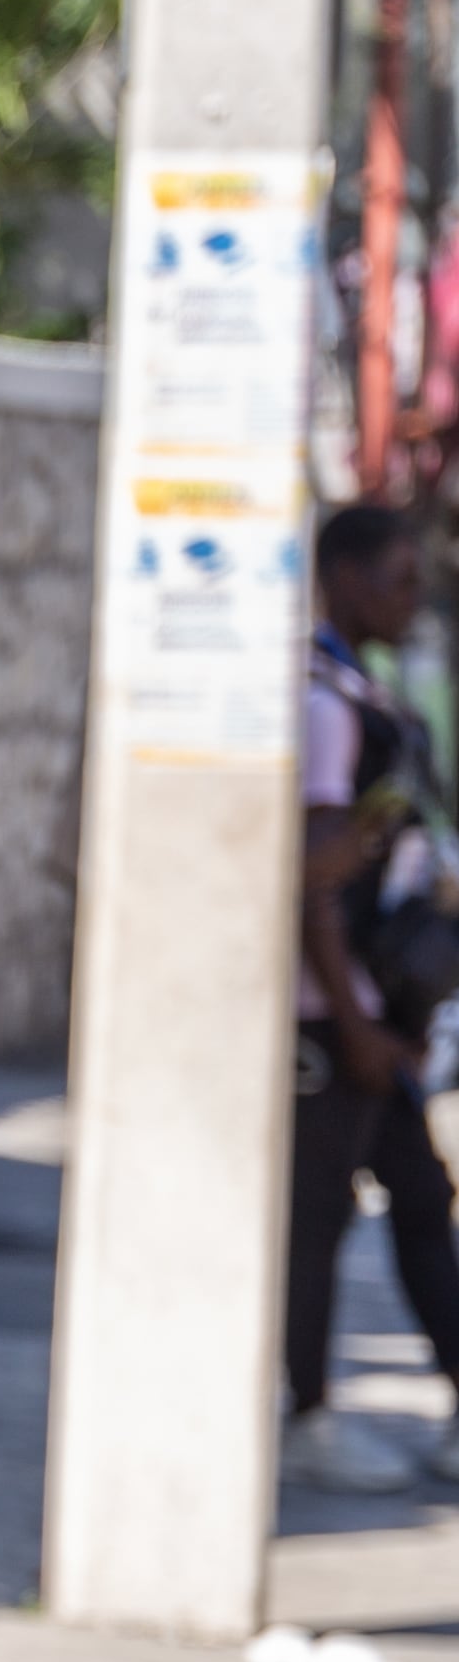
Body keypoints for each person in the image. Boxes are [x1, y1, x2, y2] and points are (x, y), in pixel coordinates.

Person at [282, 500, 459, 1494]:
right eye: (396, 576)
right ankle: (303, 1416)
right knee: (316, 1222)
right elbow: (314, 876)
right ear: (342, 578)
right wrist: (351, 1028)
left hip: (375, 1019)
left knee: (424, 1200)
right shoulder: (319, 704)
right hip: (331, 1020)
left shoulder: (360, 690)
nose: (412, 595)